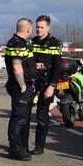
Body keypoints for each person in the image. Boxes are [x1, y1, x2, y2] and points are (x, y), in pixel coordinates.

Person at [30, 14, 63, 155]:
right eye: (37, 27)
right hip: (32, 83)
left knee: (42, 117)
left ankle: (39, 147)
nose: (38, 30)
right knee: (24, 115)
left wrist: (52, 86)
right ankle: (21, 146)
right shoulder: (33, 41)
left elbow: (57, 67)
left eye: (41, 27)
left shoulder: (55, 42)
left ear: (48, 27)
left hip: (46, 84)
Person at [4, 18, 36, 160]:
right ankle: (15, 149)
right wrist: (22, 85)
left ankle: (22, 147)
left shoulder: (21, 43)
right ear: (28, 29)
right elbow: (16, 66)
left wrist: (34, 67)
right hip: (20, 87)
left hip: (25, 85)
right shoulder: (17, 43)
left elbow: (23, 62)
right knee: (19, 118)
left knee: (23, 118)